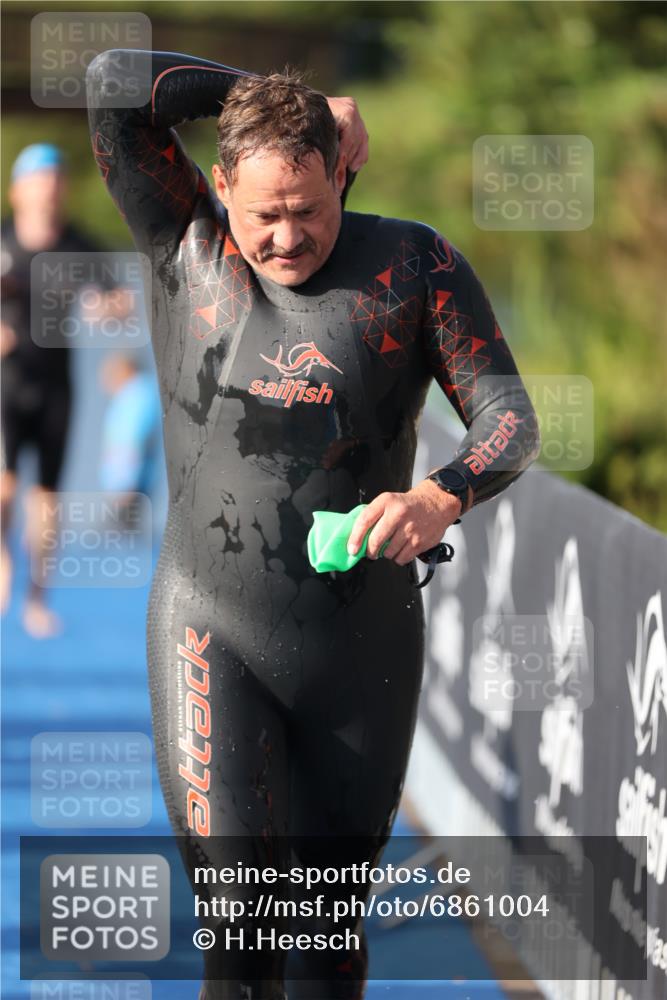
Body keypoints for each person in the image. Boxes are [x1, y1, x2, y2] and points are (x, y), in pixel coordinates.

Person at [86, 49, 540, 1000]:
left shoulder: (413, 264)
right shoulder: (186, 245)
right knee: (242, 933)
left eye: (308, 208)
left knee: (327, 943)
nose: (287, 238)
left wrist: (438, 493)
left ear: (341, 172)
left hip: (359, 645)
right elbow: (116, 81)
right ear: (220, 187)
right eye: (263, 216)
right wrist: (291, 100)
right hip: (211, 628)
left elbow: (510, 419)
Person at [0, 143, 132, 637]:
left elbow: (119, 301)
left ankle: (37, 597)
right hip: (9, 380)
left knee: (47, 497)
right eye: (37, 180)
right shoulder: (5, 242)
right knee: (6, 484)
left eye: (55, 181)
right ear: (18, 191)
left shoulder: (78, 247)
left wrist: (109, 308)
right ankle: (4, 568)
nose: (47, 190)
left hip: (57, 383)